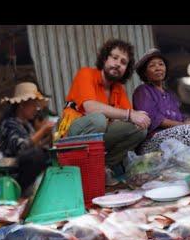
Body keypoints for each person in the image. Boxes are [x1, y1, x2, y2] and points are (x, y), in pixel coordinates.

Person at [64, 38, 149, 184]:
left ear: (126, 69)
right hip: (72, 136)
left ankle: (104, 166)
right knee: (99, 119)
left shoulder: (118, 89)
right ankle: (87, 167)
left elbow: (127, 119)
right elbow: (90, 108)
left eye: (123, 62)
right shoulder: (86, 74)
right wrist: (129, 114)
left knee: (139, 129)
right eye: (114, 58)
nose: (117, 64)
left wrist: (139, 116)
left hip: (98, 135)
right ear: (105, 59)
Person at [132, 48, 190, 157]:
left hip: (177, 132)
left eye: (161, 64)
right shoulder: (142, 91)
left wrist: (188, 120)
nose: (158, 68)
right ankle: (188, 163)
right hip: (152, 141)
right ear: (145, 73)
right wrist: (183, 125)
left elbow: (179, 116)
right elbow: (153, 118)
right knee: (188, 130)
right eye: (152, 65)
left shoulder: (169, 94)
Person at [0, 82, 54, 192]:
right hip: (11, 172)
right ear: (22, 105)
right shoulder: (9, 124)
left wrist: (48, 138)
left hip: (21, 167)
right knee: (37, 156)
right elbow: (22, 147)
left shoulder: (26, 125)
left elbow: (34, 145)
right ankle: (21, 193)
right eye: (33, 105)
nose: (36, 109)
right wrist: (42, 130)